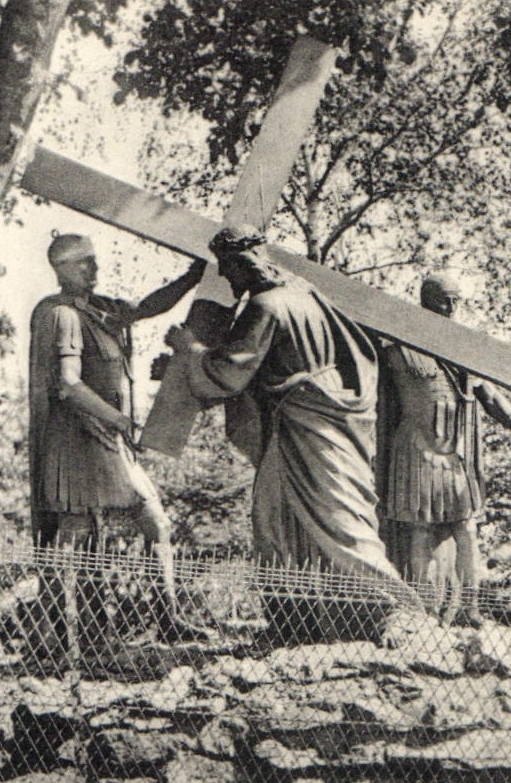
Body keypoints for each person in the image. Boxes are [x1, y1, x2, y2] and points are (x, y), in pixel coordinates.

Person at [153, 225, 422, 643]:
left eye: (227, 269)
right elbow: (279, 367)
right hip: (306, 423)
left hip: (312, 427)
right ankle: (296, 622)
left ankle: (396, 608)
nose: (225, 279)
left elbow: (229, 372)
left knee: (340, 519)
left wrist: (188, 348)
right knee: (275, 519)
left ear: (244, 262)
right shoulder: (308, 292)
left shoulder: (267, 305)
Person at [27, 232, 208, 658]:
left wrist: (193, 276)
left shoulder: (102, 309)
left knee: (155, 523)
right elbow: (68, 385)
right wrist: (122, 420)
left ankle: (167, 618)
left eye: (93, 260)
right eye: (82, 263)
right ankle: (62, 636)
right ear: (61, 269)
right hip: (76, 441)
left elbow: (147, 308)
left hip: (110, 439)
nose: (93, 269)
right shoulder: (60, 315)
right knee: (76, 539)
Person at [377, 272, 511, 625]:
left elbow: (488, 393)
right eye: (444, 300)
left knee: (466, 529)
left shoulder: (462, 347)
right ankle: (426, 610)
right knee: (419, 531)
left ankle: (470, 608)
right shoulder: (395, 347)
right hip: (416, 448)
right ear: (425, 300)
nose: (451, 307)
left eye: (457, 300)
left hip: (455, 453)